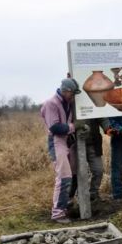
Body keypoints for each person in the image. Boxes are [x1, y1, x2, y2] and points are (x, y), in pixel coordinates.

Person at [40, 78, 82, 224]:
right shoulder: (51, 104)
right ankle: (57, 213)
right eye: (72, 93)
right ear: (66, 91)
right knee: (63, 177)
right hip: (56, 141)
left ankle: (65, 206)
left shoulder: (67, 102)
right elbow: (55, 128)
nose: (74, 97)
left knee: (72, 174)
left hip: (66, 141)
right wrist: (73, 126)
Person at [79, 117, 114, 202]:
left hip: (93, 144)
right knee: (79, 173)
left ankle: (93, 194)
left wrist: (108, 128)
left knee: (98, 170)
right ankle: (78, 196)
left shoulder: (94, 104)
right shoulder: (71, 104)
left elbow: (102, 118)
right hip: (77, 144)